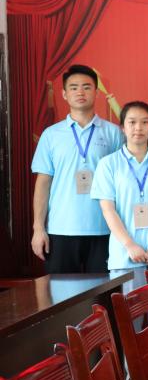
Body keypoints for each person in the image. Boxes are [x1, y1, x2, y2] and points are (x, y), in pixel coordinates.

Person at [31, 64, 124, 273]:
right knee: (60, 292)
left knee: (104, 291)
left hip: (105, 228)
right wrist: (38, 228)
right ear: (64, 94)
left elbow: (123, 182)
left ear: (96, 92)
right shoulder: (51, 135)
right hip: (60, 229)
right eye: (73, 87)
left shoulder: (114, 133)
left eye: (86, 87)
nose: (80, 92)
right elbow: (43, 184)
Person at [92, 101, 148, 288]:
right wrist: (129, 245)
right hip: (125, 257)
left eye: (145, 122)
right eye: (132, 122)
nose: (138, 128)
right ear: (122, 127)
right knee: (131, 308)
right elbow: (108, 210)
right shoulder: (108, 164)